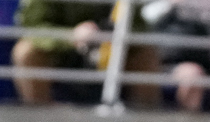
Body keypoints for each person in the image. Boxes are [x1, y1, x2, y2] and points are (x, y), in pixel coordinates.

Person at [12, 0, 160, 106]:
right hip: (60, 53)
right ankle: (40, 118)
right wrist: (71, 36)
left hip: (111, 49)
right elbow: (32, 26)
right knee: (25, 52)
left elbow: (139, 27)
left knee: (145, 53)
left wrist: (113, 33)